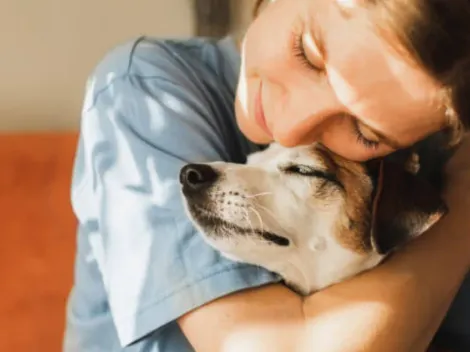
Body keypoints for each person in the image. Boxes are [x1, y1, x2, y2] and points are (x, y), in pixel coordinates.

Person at [63, 0, 470, 351]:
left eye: (366, 133)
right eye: (308, 53)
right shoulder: (142, 90)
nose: (290, 129)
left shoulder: (420, 158)